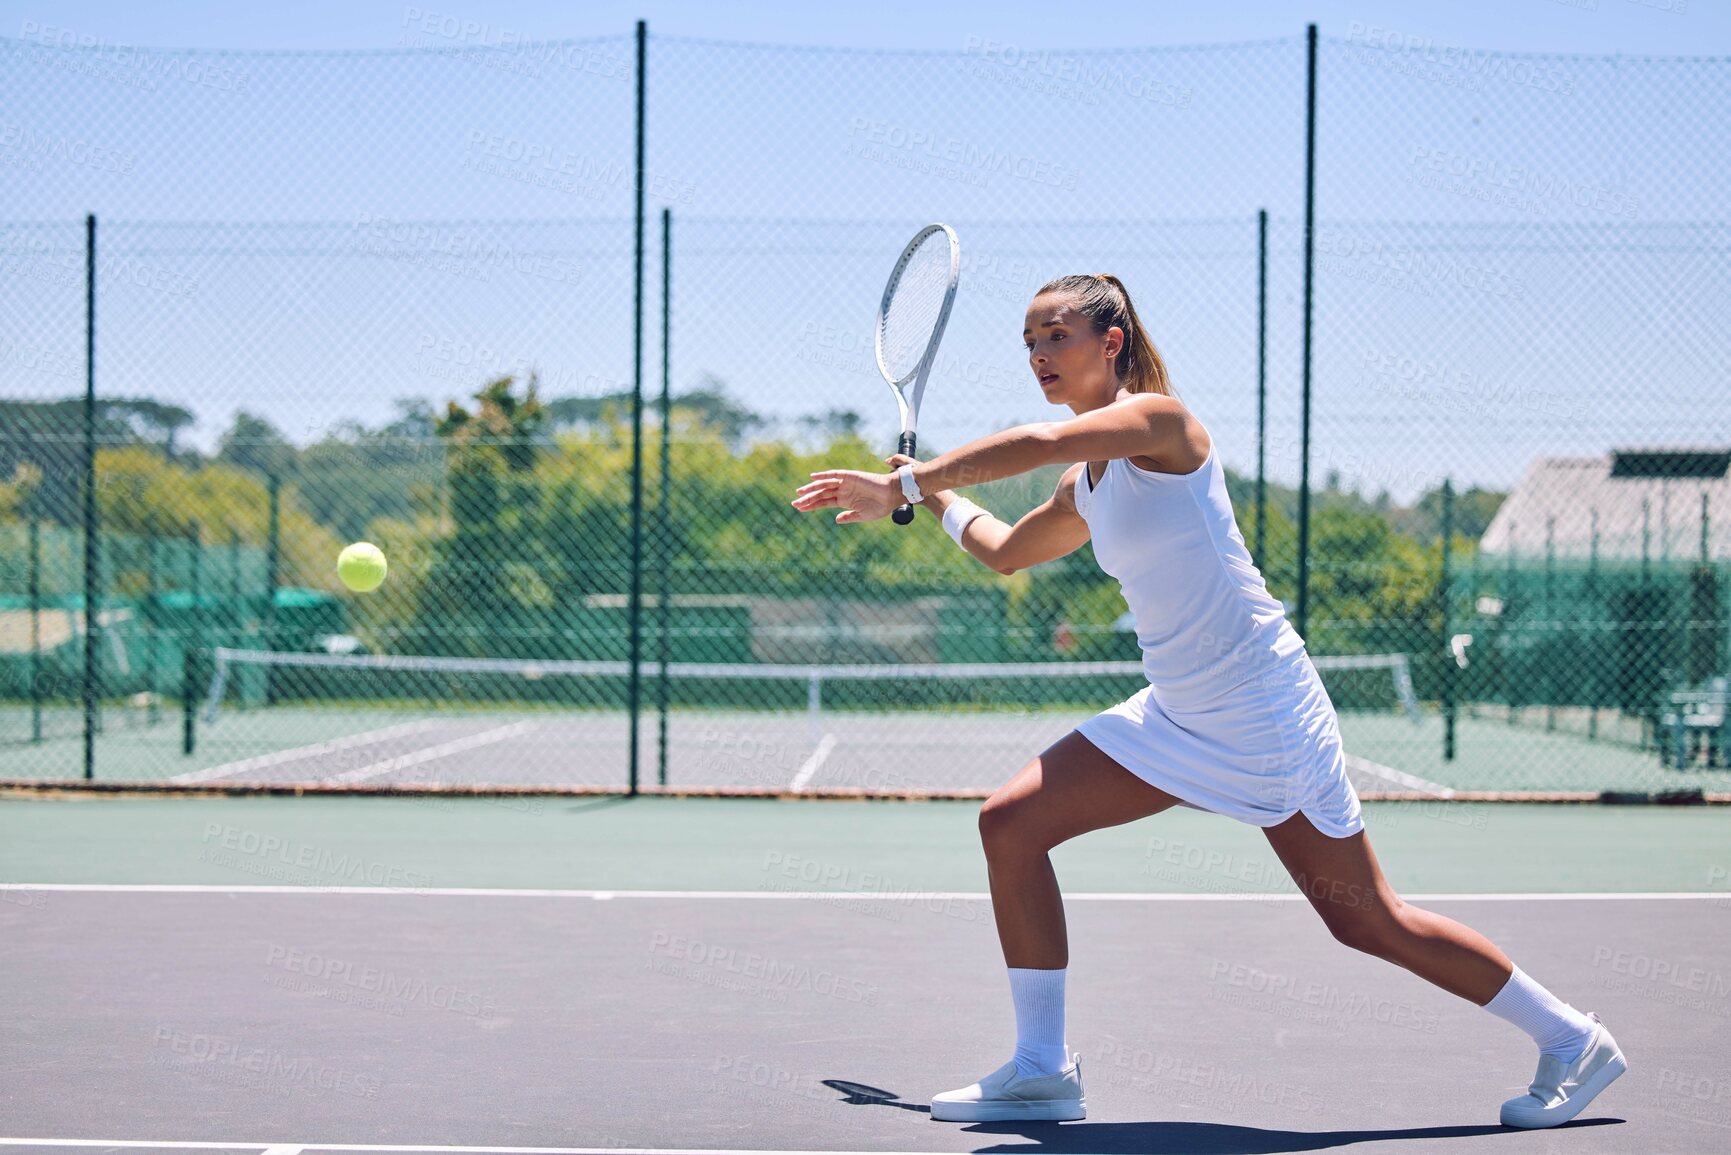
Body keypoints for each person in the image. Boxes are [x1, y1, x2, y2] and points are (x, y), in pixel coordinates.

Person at [789, 273, 1625, 1129]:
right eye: (1030, 343)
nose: (1040, 355)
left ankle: (1572, 1039)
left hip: (1263, 710)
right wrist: (938, 500)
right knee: (1009, 823)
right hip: (1177, 711)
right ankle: (1041, 1067)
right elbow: (1007, 551)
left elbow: (1041, 437)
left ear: (1109, 342)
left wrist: (913, 484)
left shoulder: (1162, 423)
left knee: (1367, 921)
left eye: (1056, 336)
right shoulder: (1088, 483)